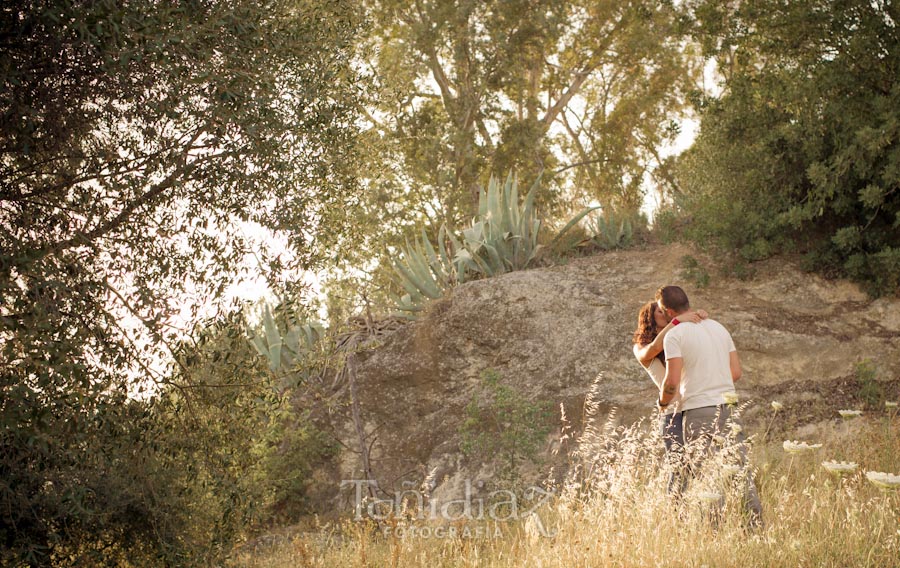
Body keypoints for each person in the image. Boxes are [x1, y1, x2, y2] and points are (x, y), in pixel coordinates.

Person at [655, 285, 763, 529]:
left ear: (668, 310)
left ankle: (715, 533)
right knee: (740, 472)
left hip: (699, 409)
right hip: (729, 405)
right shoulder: (718, 328)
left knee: (708, 476)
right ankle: (755, 529)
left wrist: (662, 402)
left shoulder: (675, 335)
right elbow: (735, 372)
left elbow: (671, 382)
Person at [632, 301, 706, 494]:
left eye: (666, 311)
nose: (665, 313)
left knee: (701, 466)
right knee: (680, 468)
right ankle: (676, 514)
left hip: (694, 407)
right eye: (659, 311)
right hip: (672, 413)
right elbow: (655, 347)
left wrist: (700, 319)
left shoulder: (676, 339)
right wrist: (677, 320)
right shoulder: (641, 348)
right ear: (650, 317)